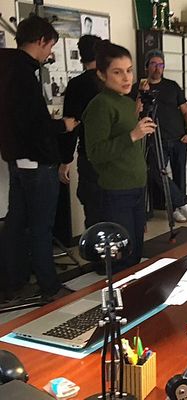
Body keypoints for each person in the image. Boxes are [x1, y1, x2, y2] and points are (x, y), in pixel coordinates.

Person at [0, 16, 78, 302]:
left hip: (15, 158)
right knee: (42, 226)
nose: (49, 54)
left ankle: (14, 282)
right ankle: (49, 285)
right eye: (50, 47)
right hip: (35, 161)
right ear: (41, 41)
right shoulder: (22, 73)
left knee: (16, 221)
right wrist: (62, 126)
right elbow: (31, 122)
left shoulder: (6, 67)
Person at [83, 40, 156, 272]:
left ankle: (134, 303)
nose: (126, 78)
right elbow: (95, 153)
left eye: (129, 70)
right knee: (121, 258)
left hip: (136, 185)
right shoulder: (100, 105)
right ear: (102, 75)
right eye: (117, 72)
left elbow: (128, 144)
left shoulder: (126, 103)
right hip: (116, 190)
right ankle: (118, 305)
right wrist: (133, 135)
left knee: (135, 251)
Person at [131, 49, 187, 223]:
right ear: (146, 67)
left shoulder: (172, 86)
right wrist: (140, 94)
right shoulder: (137, 87)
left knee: (180, 173)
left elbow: (186, 111)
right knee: (157, 172)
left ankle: (178, 208)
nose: (157, 68)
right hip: (155, 139)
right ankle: (181, 201)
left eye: (161, 64)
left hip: (179, 137)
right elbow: (133, 114)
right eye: (153, 64)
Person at [57, 35, 103, 229]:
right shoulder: (111, 82)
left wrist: (65, 160)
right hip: (117, 154)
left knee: (93, 210)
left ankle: (98, 255)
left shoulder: (77, 85)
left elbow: (71, 125)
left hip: (90, 154)